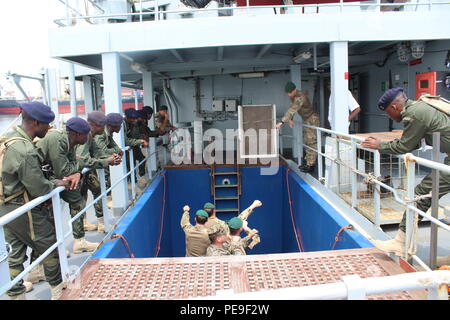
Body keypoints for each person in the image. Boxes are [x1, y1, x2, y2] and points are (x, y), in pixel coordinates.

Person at [361, 88, 450, 263]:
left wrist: (381, 145)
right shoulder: (421, 106)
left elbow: (405, 146)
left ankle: (401, 242)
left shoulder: (414, 114)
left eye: (388, 113)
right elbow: (414, 141)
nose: (389, 117)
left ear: (394, 106)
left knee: (420, 195)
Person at [0, 102, 68, 300]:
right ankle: (58, 289)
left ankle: (16, 293)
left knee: (15, 250)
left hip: (5, 206)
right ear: (37, 123)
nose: (49, 128)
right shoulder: (25, 150)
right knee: (49, 245)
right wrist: (57, 183)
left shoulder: (8, 138)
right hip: (23, 207)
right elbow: (39, 187)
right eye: (47, 124)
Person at [36, 117, 99, 254]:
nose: (88, 137)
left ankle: (79, 241)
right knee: (46, 217)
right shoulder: (59, 140)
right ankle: (52, 252)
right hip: (38, 179)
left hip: (51, 176)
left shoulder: (70, 142)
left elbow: (70, 165)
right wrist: (80, 164)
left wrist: (77, 173)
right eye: (86, 134)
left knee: (76, 199)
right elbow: (63, 170)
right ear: (77, 134)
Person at [77, 111, 122, 233]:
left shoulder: (90, 136)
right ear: (94, 125)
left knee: (98, 190)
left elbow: (99, 152)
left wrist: (112, 157)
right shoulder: (85, 136)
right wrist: (107, 161)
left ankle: (102, 223)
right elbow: (83, 160)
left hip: (85, 171)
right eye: (103, 125)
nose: (105, 128)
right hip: (75, 173)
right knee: (78, 200)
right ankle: (80, 235)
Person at [274, 82, 320, 173]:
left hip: (312, 119)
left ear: (294, 90)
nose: (288, 95)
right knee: (307, 141)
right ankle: (307, 162)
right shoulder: (293, 97)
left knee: (311, 142)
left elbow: (292, 109)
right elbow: (293, 108)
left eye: (289, 93)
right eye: (287, 93)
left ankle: (311, 166)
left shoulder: (300, 97)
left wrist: (281, 122)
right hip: (306, 120)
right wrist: (290, 119)